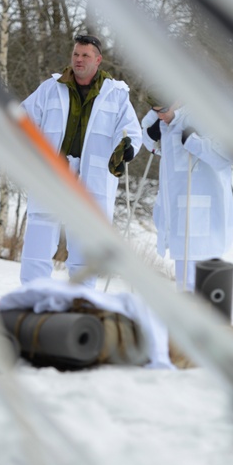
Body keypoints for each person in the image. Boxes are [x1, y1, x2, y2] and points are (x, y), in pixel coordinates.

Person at [20, 34, 140, 288]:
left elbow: (130, 131)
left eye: (85, 55)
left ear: (98, 60)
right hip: (52, 174)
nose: (79, 59)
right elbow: (24, 117)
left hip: (91, 180)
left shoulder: (115, 94)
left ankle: (81, 303)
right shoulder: (50, 88)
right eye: (76, 54)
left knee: (84, 250)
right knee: (37, 243)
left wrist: (127, 147)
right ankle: (31, 297)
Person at [141, 101, 233, 290]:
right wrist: (151, 136)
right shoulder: (160, 118)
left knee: (201, 281)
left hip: (205, 212)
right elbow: (147, 139)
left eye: (164, 111)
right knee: (184, 281)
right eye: (156, 111)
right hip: (176, 210)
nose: (160, 116)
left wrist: (194, 142)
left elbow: (227, 156)